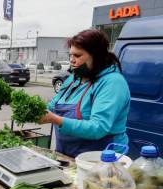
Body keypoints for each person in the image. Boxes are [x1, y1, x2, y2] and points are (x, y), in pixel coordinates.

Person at [39, 29, 130, 158]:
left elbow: (98, 127)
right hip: (68, 156)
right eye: (70, 55)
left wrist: (55, 119)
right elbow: (52, 106)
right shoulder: (73, 79)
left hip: (101, 160)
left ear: (96, 56)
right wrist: (37, 111)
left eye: (77, 56)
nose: (72, 60)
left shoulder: (112, 83)